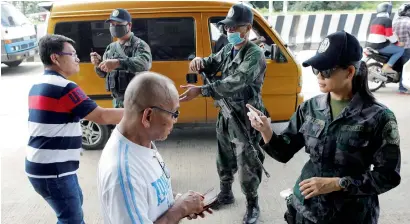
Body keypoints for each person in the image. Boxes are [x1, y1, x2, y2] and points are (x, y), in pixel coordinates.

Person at [247, 31, 401, 224]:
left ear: (350, 72)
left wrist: (338, 184)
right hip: (306, 210)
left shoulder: (379, 117)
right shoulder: (310, 108)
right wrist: (266, 130)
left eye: (326, 71)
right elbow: (283, 152)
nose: (319, 76)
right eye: (316, 69)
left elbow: (388, 176)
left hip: (351, 216)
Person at [179, 3, 267, 224]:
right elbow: (210, 62)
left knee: (248, 163)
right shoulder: (228, 49)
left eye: (235, 28)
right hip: (226, 114)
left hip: (246, 117)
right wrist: (199, 61)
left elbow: (235, 82)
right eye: (227, 28)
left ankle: (252, 204)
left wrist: (202, 90)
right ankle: (226, 194)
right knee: (224, 158)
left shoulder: (254, 55)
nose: (230, 32)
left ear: (247, 28)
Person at [26, 34, 124, 223]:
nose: (77, 59)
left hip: (41, 166)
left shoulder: (38, 84)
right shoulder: (64, 87)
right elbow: (102, 116)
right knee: (72, 219)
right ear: (55, 58)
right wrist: (141, 110)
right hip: (53, 170)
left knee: (72, 207)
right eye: (72, 54)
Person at [97, 71, 212, 224]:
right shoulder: (124, 175)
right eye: (174, 113)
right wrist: (179, 210)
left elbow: (150, 192)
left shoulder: (142, 142)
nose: (175, 120)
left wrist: (181, 201)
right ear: (148, 116)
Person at [90, 8, 152, 108]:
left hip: (137, 102)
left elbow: (144, 63)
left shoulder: (139, 45)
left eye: (118, 24)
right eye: (112, 25)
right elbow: (103, 74)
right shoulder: (111, 48)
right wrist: (98, 64)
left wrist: (118, 62)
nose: (115, 27)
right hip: (117, 102)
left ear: (129, 25)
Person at [366, 2, 405, 74]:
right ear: (388, 10)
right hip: (379, 46)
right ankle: (388, 66)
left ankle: (385, 67)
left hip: (370, 45)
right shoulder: (387, 20)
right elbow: (389, 35)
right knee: (400, 50)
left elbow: (380, 33)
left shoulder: (374, 20)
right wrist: (397, 43)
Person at [393, 3, 410, 93]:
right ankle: (402, 87)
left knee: (401, 67)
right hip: (407, 47)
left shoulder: (395, 21)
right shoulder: (408, 22)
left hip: (397, 48)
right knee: (406, 68)